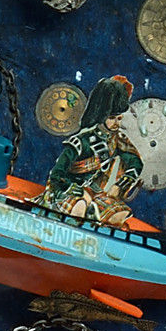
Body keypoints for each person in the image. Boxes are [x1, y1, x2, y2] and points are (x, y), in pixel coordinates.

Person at [44, 75, 143, 224]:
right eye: (112, 118)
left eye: (119, 118)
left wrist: (119, 185)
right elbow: (57, 175)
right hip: (67, 191)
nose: (117, 123)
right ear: (102, 115)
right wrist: (77, 191)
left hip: (94, 192)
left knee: (120, 215)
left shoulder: (117, 140)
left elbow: (136, 163)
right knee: (80, 207)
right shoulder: (80, 142)